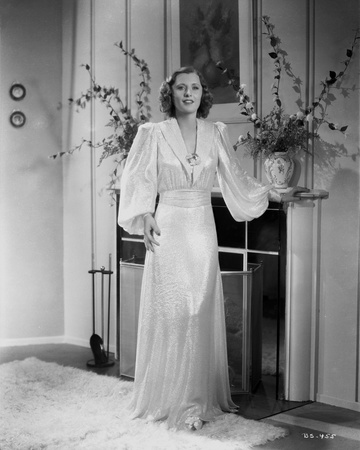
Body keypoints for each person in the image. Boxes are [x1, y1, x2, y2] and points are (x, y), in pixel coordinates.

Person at [118, 66, 306, 431]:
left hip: (202, 227)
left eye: (195, 88)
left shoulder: (215, 132)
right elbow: (137, 177)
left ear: (204, 94)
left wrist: (267, 190)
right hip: (168, 224)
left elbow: (233, 175)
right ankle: (167, 397)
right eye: (181, 88)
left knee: (197, 306)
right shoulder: (152, 133)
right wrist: (144, 213)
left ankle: (195, 399)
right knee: (173, 307)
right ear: (169, 93)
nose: (188, 93)